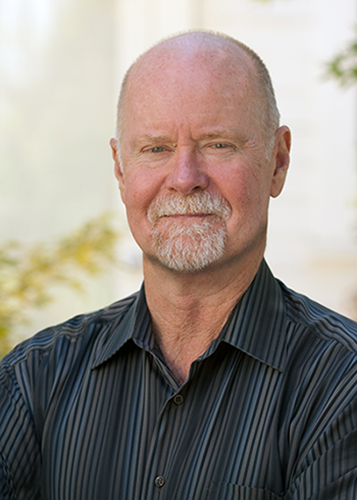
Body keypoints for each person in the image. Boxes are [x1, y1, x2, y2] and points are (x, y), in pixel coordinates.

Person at [1, 30, 356, 500]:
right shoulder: (32, 380)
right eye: (155, 149)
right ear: (120, 168)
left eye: (218, 144)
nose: (185, 178)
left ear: (279, 161)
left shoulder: (342, 384)